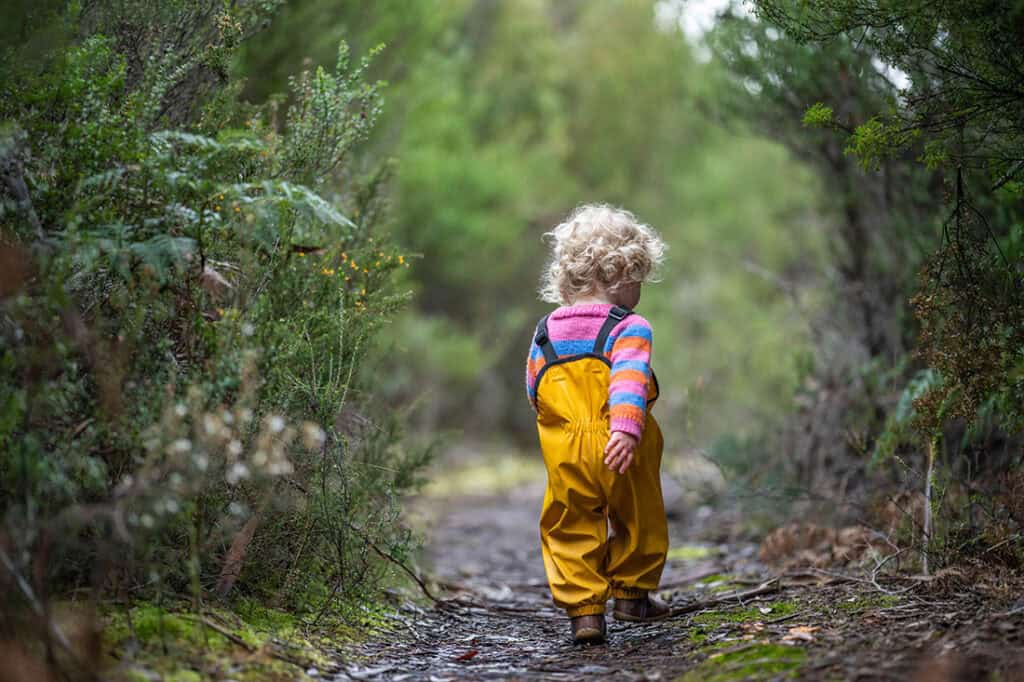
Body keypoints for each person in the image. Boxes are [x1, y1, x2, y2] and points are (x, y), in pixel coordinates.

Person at [525, 204, 670, 644]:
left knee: (569, 522)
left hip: (565, 446)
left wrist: (558, 430)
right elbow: (629, 377)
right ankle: (631, 595)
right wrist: (626, 429)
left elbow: (534, 385)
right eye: (639, 280)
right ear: (622, 273)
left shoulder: (546, 330)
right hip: (620, 443)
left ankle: (585, 613)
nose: (639, 291)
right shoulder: (630, 326)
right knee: (637, 515)